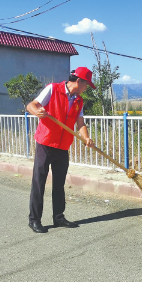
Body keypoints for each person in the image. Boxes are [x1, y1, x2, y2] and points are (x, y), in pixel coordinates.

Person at [26, 67, 96, 233]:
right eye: (87, 85)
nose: (86, 88)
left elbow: (80, 124)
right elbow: (31, 105)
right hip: (45, 142)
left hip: (63, 145)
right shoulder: (53, 89)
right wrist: (38, 112)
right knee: (39, 182)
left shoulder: (79, 101)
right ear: (79, 81)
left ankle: (58, 217)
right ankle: (34, 220)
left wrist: (86, 137)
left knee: (59, 183)